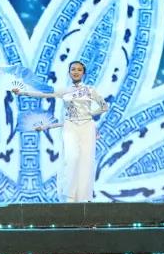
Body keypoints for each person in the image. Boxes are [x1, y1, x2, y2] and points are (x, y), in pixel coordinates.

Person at [12, 61, 109, 202]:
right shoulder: (65, 90)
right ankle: (70, 196)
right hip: (70, 127)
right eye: (73, 69)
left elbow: (104, 107)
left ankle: (83, 198)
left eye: (79, 70)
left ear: (83, 73)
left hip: (87, 127)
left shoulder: (90, 90)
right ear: (69, 73)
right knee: (71, 158)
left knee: (86, 161)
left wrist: (89, 114)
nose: (76, 72)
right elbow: (43, 95)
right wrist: (22, 92)